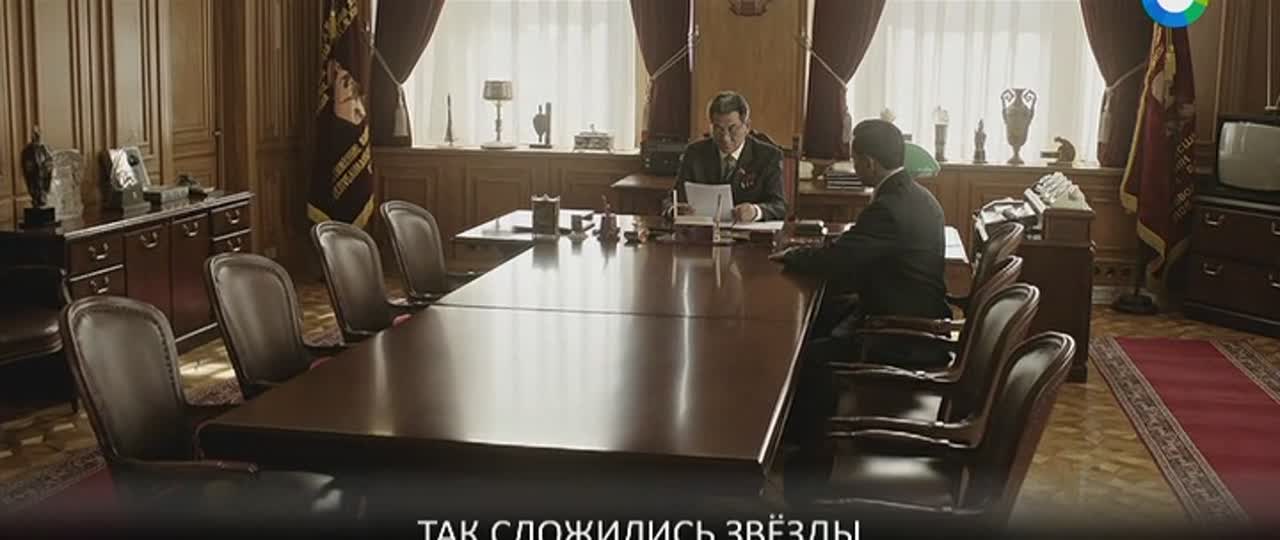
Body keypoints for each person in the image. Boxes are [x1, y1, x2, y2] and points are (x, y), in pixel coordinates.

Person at [772, 118, 951, 366]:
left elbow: (838, 260)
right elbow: (858, 246)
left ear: (869, 163)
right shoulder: (918, 195)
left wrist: (792, 255)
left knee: (800, 358)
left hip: (901, 334)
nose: (854, 167)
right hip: (912, 313)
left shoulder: (887, 208)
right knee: (820, 315)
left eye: (854, 160)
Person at [666, 91, 787, 222]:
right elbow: (671, 200)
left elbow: (779, 206)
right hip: (703, 231)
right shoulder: (695, 153)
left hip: (748, 232)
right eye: (718, 129)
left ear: (747, 126)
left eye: (732, 129)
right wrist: (674, 209)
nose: (725, 138)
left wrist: (755, 211)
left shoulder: (768, 156)